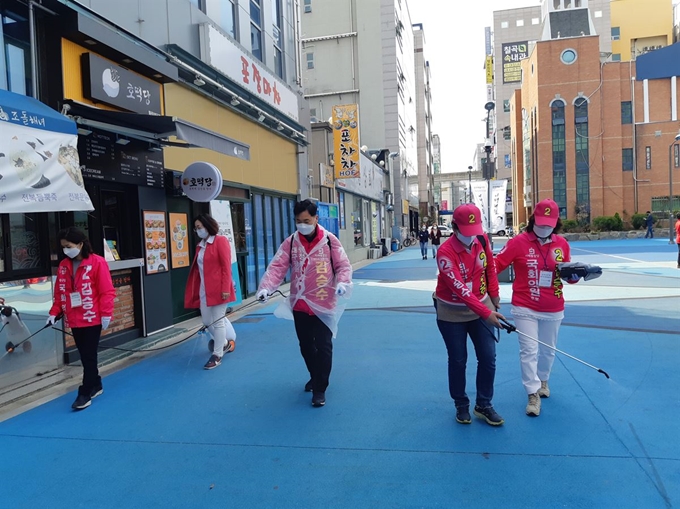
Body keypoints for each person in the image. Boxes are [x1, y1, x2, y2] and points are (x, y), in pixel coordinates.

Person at [256, 200, 352, 408]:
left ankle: (320, 389)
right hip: (300, 303)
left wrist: (343, 283)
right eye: (298, 221)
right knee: (306, 346)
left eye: (306, 221)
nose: (302, 225)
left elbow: (343, 265)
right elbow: (277, 267)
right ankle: (315, 375)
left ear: (316, 218)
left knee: (324, 347)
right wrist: (266, 287)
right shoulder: (291, 242)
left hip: (324, 303)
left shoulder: (329, 241)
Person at [494, 199, 580, 418]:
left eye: (549, 224)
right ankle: (532, 392)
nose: (544, 227)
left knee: (548, 350)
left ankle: (543, 380)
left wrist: (575, 276)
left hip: (553, 305)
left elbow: (567, 274)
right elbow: (496, 265)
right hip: (525, 306)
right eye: (541, 223)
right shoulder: (518, 242)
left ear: (556, 223)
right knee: (529, 350)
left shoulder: (562, 244)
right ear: (533, 220)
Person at [434, 203, 506, 426]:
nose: (472, 237)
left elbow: (490, 269)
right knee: (458, 359)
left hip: (482, 306)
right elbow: (461, 290)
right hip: (451, 312)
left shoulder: (482, 240)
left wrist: (494, 298)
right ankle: (461, 404)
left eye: (475, 231)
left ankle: (484, 403)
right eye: (467, 232)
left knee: (488, 357)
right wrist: (487, 313)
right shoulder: (445, 253)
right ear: (454, 227)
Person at [47, 228, 116, 410]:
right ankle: (96, 383)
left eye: (68, 246)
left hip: (92, 317)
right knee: (86, 355)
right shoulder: (63, 265)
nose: (66, 250)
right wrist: (54, 312)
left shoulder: (98, 263)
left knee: (88, 356)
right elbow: (60, 292)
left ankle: (84, 392)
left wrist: (106, 313)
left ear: (80, 244)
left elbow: (106, 291)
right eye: (63, 247)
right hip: (75, 318)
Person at [184, 213, 237, 370]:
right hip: (204, 289)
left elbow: (226, 266)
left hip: (220, 289)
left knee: (218, 320)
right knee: (207, 321)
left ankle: (217, 354)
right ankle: (225, 343)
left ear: (208, 225)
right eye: (196, 228)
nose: (198, 230)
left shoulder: (220, 241)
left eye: (199, 227)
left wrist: (225, 287)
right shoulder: (201, 245)